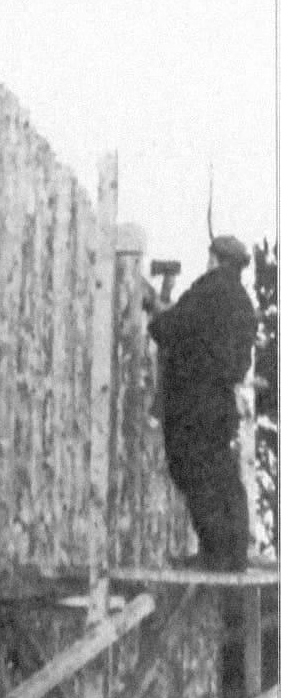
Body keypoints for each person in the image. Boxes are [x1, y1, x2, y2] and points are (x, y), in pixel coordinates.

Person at [147, 235, 258, 571]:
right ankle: (234, 552)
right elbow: (237, 361)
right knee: (223, 473)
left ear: (213, 259)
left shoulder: (207, 292)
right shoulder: (243, 304)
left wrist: (158, 315)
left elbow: (165, 329)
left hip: (192, 404)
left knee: (194, 473)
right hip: (221, 403)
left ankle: (213, 553)